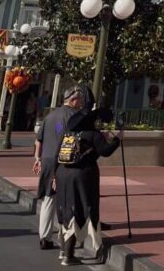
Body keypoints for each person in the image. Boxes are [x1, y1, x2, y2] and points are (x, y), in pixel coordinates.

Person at [55, 103, 122, 266]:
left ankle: (64, 250)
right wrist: (118, 139)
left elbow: (58, 152)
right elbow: (105, 150)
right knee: (79, 209)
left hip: (63, 173)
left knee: (66, 210)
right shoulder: (92, 134)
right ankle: (70, 255)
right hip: (83, 175)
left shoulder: (69, 133)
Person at [33, 85, 84, 251]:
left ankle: (44, 236)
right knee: (66, 200)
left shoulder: (51, 116)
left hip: (46, 159)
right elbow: (70, 138)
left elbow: (39, 139)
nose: (82, 102)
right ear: (73, 99)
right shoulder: (73, 116)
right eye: (80, 99)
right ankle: (66, 238)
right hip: (62, 160)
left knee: (49, 198)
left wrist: (37, 158)